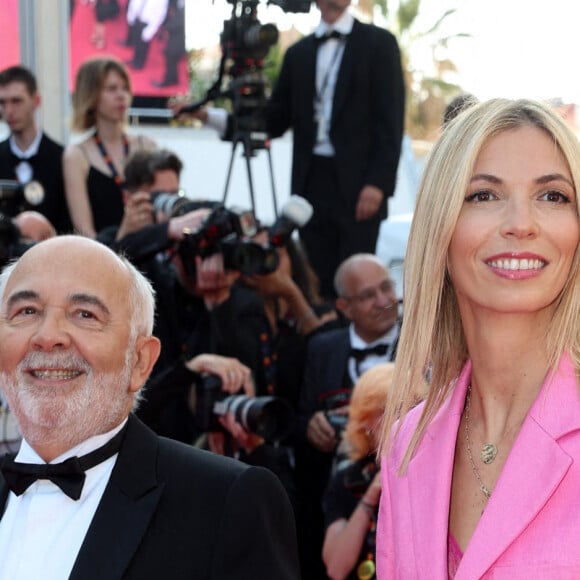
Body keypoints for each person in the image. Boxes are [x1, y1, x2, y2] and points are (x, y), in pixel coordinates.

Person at [0, 235, 300, 580]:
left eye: (85, 314)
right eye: (27, 311)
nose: (48, 335)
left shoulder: (224, 502)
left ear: (140, 360)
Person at [376, 98, 580, 579]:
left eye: (552, 196)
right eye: (483, 195)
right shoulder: (407, 443)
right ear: (439, 230)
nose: (521, 223)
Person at [175, 0, 405, 299]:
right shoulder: (299, 53)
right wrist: (207, 116)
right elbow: (271, 120)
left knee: (357, 277)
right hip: (310, 184)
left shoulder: (379, 43)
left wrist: (377, 183)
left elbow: (391, 121)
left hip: (360, 185)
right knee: (313, 276)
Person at [294, 252, 400, 579]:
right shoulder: (322, 349)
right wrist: (311, 426)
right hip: (337, 503)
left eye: (387, 288)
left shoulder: (427, 340)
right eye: (368, 295)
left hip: (401, 500)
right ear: (344, 307)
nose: (383, 301)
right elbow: (300, 418)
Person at [63, 56, 156, 239]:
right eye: (111, 89)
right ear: (92, 95)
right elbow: (85, 233)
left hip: (151, 253)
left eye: (125, 88)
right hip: (105, 258)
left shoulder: (147, 145)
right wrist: (121, 238)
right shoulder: (76, 155)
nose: (121, 96)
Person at [322, 362, 396, 580]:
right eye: (385, 411)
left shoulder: (431, 475)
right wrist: (372, 495)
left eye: (405, 409)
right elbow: (336, 568)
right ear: (365, 422)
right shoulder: (349, 478)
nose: (396, 421)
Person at [0, 65, 72, 233]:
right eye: (2, 103)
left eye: (17, 101)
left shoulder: (63, 158)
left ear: (36, 101)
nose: (8, 111)